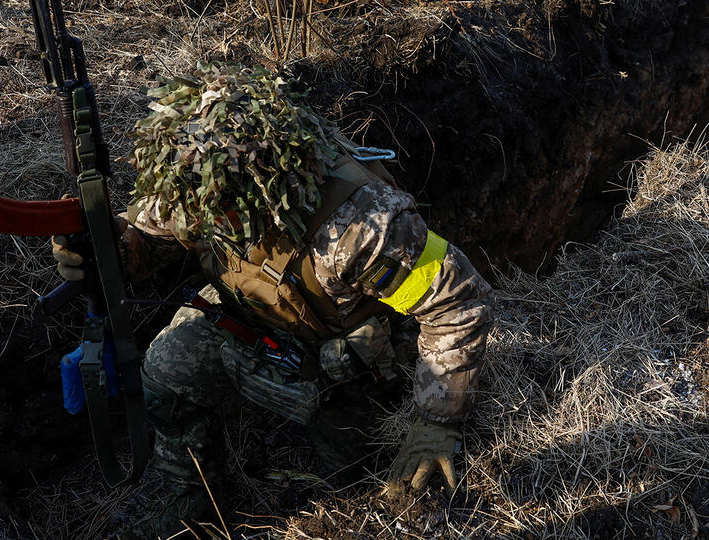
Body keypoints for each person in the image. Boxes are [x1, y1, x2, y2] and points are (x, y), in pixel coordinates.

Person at [52, 64, 494, 538]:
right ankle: (195, 498)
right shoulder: (193, 181)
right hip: (245, 317)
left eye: (214, 209)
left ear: (263, 189)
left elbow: (456, 304)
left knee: (354, 479)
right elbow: (151, 236)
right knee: (164, 377)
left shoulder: (360, 225)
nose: (195, 217)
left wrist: (436, 421)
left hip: (342, 354)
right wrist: (111, 247)